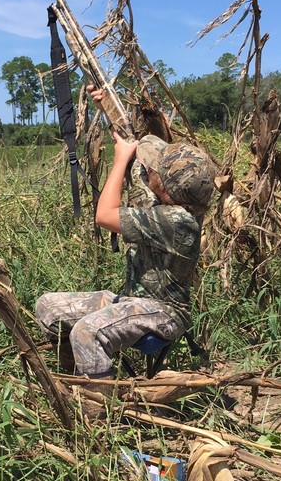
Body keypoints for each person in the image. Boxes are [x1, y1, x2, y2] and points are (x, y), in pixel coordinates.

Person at [35, 85, 215, 389]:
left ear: (166, 190)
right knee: (48, 306)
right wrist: (107, 106)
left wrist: (119, 160)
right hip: (134, 301)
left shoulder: (178, 222)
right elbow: (139, 162)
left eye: (155, 171)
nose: (150, 170)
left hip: (165, 313)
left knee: (87, 331)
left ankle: (98, 409)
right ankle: (76, 378)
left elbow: (104, 215)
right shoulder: (173, 202)